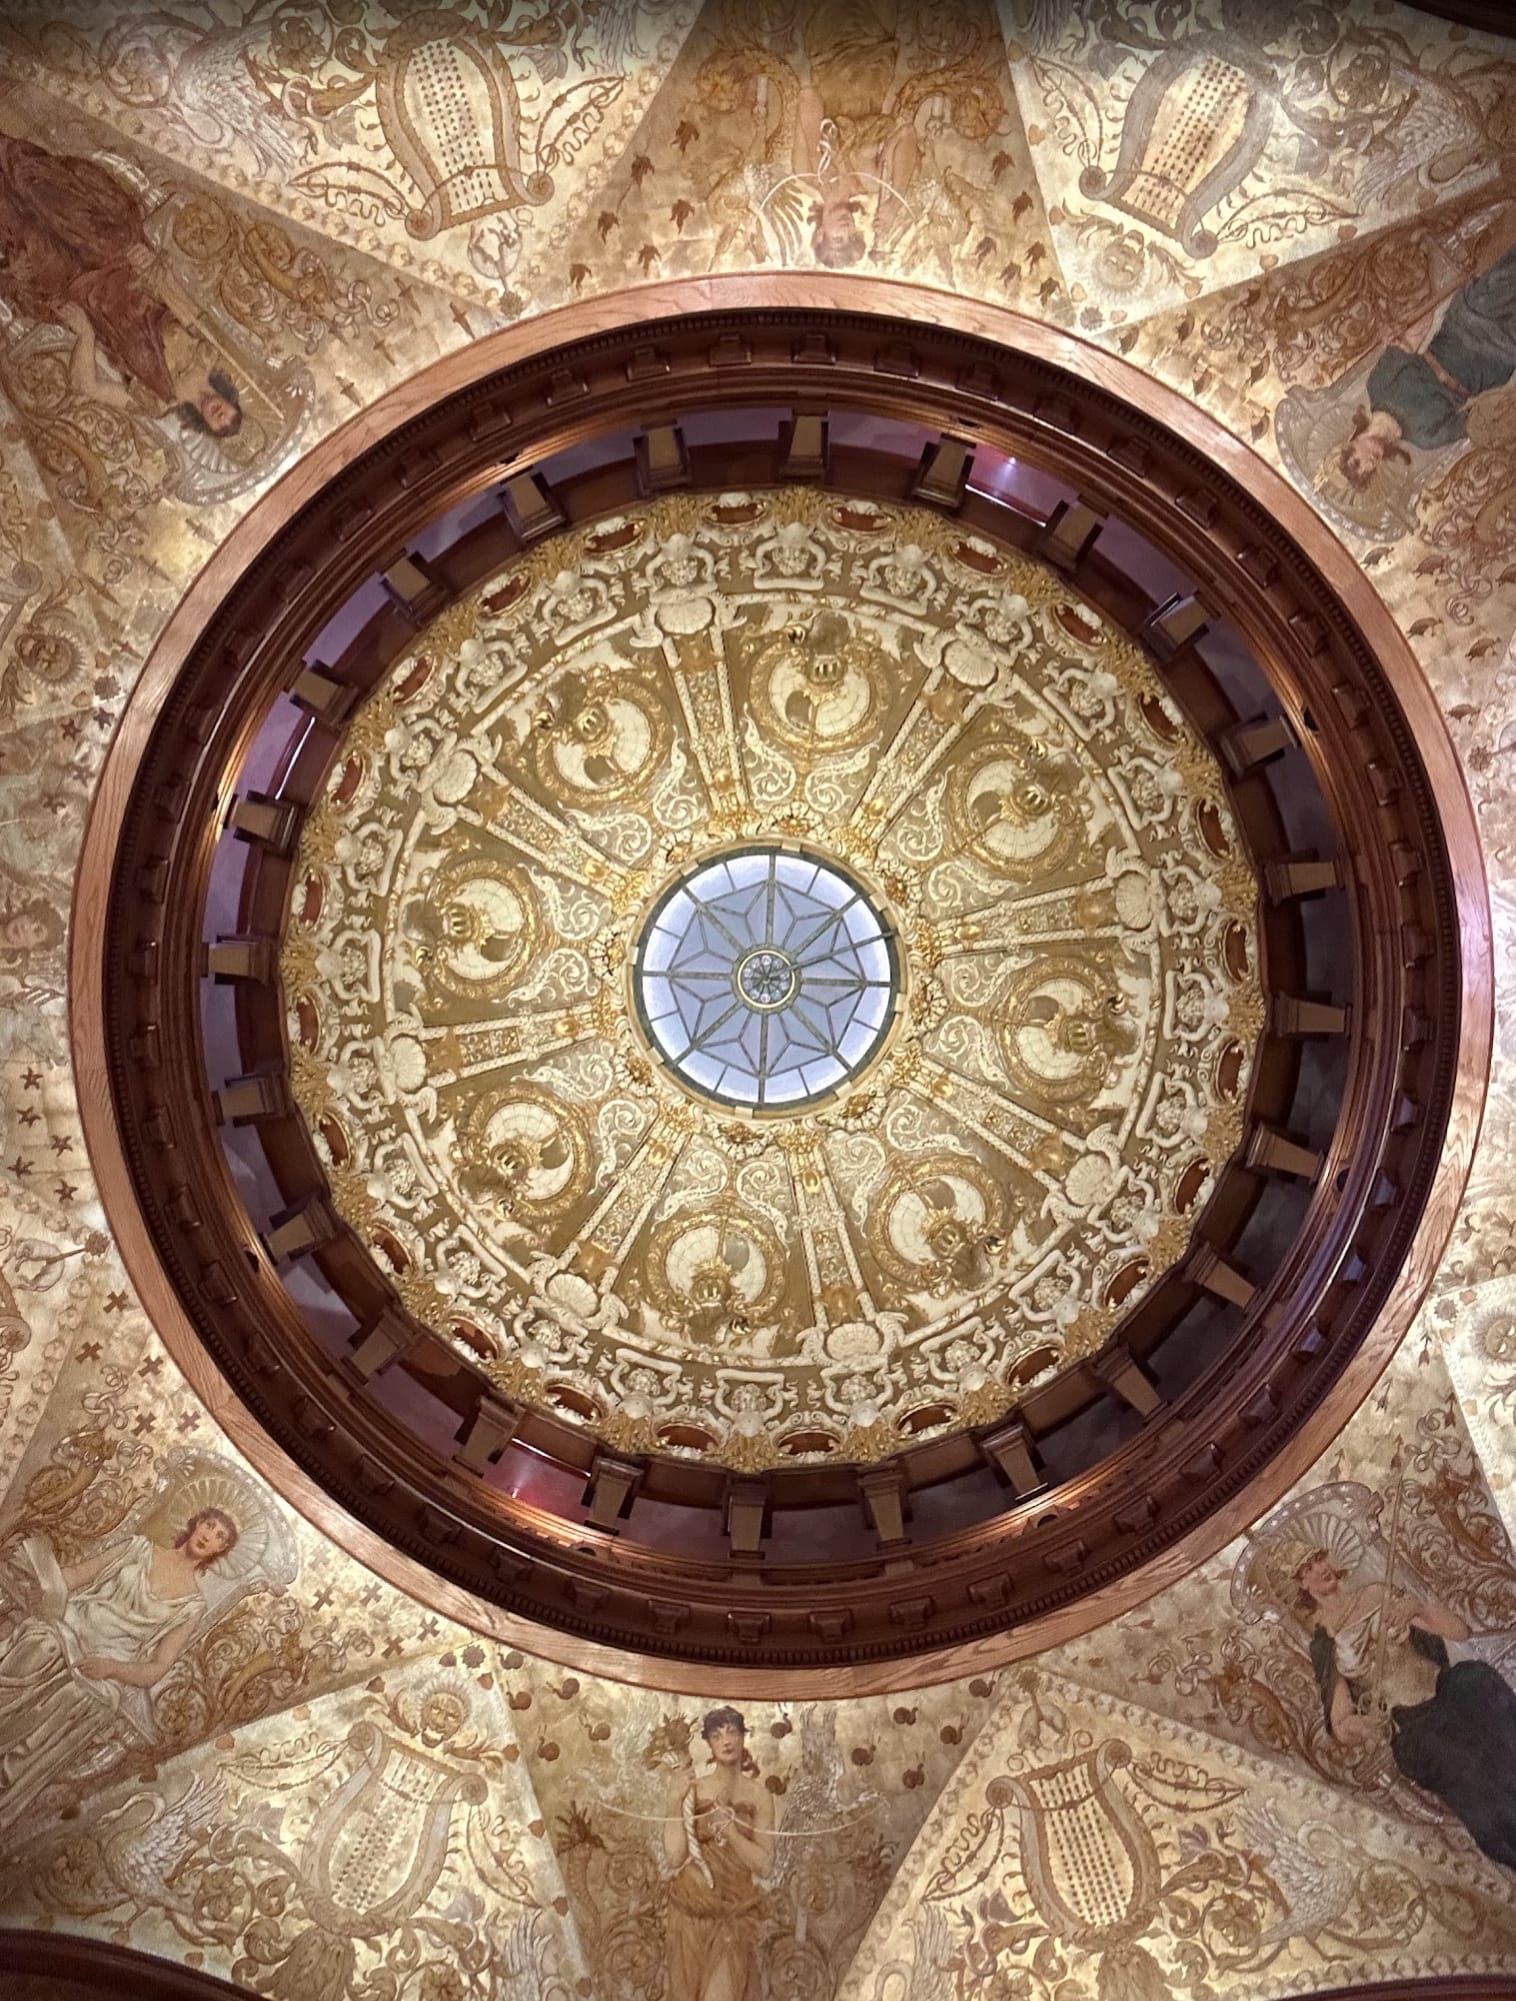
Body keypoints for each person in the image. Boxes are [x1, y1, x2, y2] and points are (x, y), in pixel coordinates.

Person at [0, 1506, 238, 1830]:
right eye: (209, 1526)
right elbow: (74, 1577)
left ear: (219, 1550)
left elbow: (157, 1668)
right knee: (43, 1645)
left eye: (219, 1537)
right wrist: (40, 1573)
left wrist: (111, 1668)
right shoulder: (137, 1548)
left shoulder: (192, 1606)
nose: (209, 1536)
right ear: (195, 1524)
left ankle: (6, 1773)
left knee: (82, 1695)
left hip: (107, 1663)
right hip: (68, 1625)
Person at [0, 131, 242, 436]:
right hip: (122, 265)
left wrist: (85, 336)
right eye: (231, 415)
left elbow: (86, 386)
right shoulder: (207, 353)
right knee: (53, 197)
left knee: (27, 243)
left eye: (221, 424)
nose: (223, 416)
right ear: (231, 401)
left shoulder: (155, 402)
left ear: (206, 425)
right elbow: (176, 296)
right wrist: (153, 262)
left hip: (84, 299)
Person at [1291, 1544, 1516, 1869]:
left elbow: (1458, 1631)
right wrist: (1366, 1725)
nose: (1319, 1567)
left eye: (1319, 1557)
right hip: (1413, 1724)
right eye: (1307, 1567)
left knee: (1476, 1681)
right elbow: (1341, 1723)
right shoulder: (1325, 1641)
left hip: (1447, 1690)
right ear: (1302, 1583)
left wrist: (1416, 1608)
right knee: (1458, 1761)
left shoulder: (1376, 1594)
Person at [1339, 241, 1516, 489]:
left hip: (1466, 324)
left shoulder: (1379, 385)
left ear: (1351, 441)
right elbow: (1478, 420)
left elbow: (1416, 333)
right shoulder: (1426, 438)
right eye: (1369, 471)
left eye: (1357, 462)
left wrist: (1409, 318)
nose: (1370, 463)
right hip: (1497, 359)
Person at [662, 1706, 776, 2001]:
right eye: (717, 1735)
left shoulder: (758, 1796)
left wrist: (732, 1835)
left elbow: (765, 1865)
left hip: (732, 1913)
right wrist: (674, 1802)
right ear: (709, 1744)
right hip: (691, 1910)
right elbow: (675, 1857)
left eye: (733, 1732)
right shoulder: (694, 1789)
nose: (726, 1741)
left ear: (743, 1737)